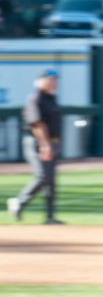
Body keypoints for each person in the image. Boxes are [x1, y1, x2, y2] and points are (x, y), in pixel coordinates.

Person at [7, 69, 64, 224]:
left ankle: (50, 216)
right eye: (50, 79)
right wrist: (45, 145)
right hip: (35, 142)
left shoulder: (52, 98)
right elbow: (37, 124)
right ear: (40, 81)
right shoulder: (35, 98)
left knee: (50, 180)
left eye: (55, 80)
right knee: (42, 177)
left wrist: (55, 143)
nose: (53, 82)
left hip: (51, 142)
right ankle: (19, 202)